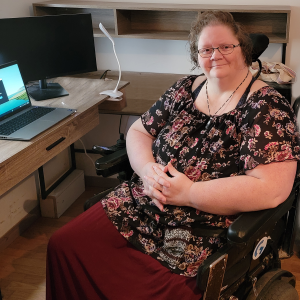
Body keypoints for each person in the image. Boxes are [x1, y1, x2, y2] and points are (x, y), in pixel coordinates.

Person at [46, 11, 299, 300]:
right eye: (206, 49)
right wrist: (147, 171)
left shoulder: (266, 106)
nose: (216, 55)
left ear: (243, 48)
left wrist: (190, 193)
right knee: (64, 244)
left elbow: (272, 189)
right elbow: (138, 132)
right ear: (197, 55)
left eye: (226, 46)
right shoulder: (183, 89)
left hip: (202, 225)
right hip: (144, 203)